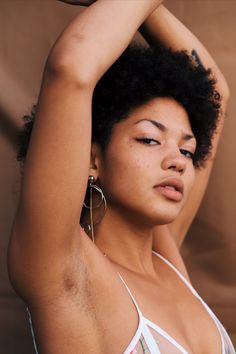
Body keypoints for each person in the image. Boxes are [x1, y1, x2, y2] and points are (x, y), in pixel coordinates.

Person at [7, 0, 234, 353]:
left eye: (187, 150)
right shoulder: (65, 270)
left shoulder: (165, 255)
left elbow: (214, 93)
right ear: (92, 159)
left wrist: (147, 8)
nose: (177, 161)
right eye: (150, 139)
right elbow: (72, 67)